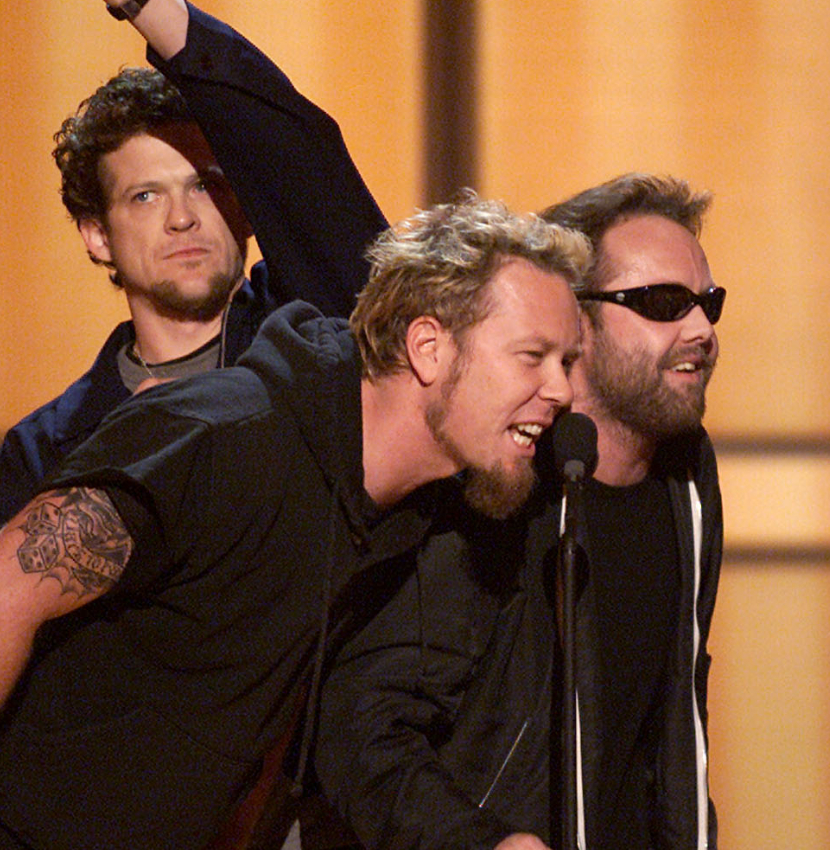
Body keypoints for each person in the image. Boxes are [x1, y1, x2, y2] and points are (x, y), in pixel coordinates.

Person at [0, 193, 589, 850]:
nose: (562, 390)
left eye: (567, 362)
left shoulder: (410, 517)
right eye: (532, 356)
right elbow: (10, 586)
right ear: (428, 347)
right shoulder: (227, 435)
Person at [313, 174, 724, 850]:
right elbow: (363, 724)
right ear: (574, 320)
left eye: (709, 303)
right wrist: (483, 842)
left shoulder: (688, 473)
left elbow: (674, 721)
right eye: (663, 303)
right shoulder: (491, 487)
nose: (701, 329)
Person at [0, 0, 386, 523]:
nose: (182, 218)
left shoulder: (319, 343)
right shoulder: (44, 451)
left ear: (246, 206)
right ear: (98, 236)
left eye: (205, 186)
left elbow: (302, 166)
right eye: (145, 197)